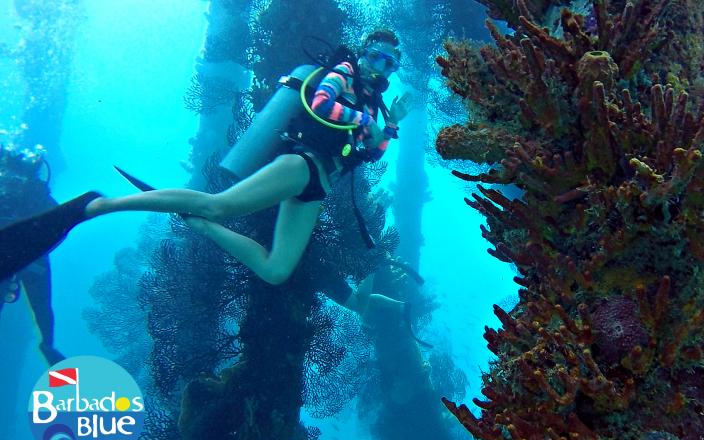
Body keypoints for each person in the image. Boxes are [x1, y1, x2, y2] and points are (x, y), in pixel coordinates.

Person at [0, 29, 413, 285]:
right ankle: (98, 205)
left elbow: (372, 155)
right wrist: (363, 117)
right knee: (218, 204)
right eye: (376, 56)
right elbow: (320, 104)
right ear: (362, 55)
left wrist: (389, 128)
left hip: (317, 185)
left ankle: (197, 224)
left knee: (275, 271)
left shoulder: (375, 104)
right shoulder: (342, 73)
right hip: (301, 163)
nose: (381, 66)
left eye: (390, 62)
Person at [0, 147, 65, 365]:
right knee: (43, 307)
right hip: (32, 254)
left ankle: (48, 345)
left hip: (9, 253)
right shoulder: (36, 188)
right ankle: (48, 345)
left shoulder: (5, 182)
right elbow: (58, 223)